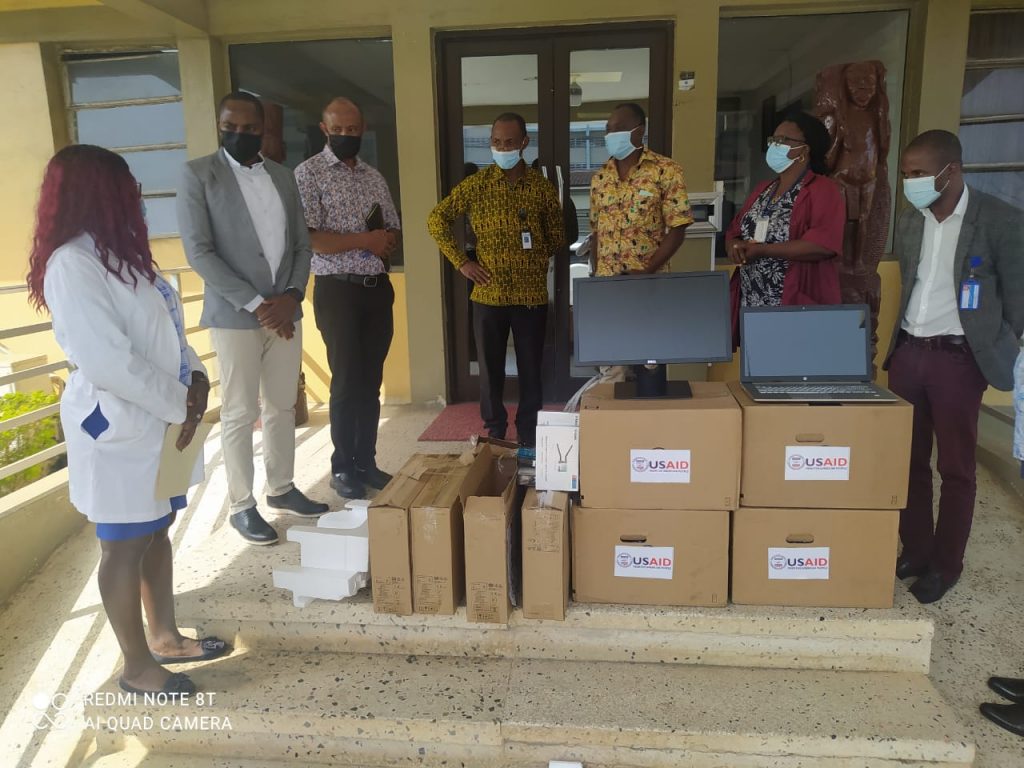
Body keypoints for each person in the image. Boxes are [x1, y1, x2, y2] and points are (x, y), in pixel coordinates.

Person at [27, 145, 229, 696]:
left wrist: (196, 378)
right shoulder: (73, 264)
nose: (137, 197)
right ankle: (137, 667)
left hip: (163, 418)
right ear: (98, 193)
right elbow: (108, 361)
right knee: (123, 544)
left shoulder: (123, 256)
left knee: (156, 527)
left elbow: (167, 332)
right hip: (117, 425)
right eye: (127, 187)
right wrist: (180, 405)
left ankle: (165, 637)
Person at [178, 91, 328, 546]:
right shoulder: (198, 174)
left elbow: (301, 245)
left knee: (281, 405)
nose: (239, 134)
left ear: (264, 130)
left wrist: (292, 295)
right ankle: (242, 505)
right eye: (230, 127)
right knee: (240, 412)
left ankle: (281, 487)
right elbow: (199, 252)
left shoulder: (282, 176)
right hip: (235, 315)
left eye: (249, 128)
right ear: (219, 125)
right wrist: (258, 304)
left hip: (285, 310)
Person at [883, 129, 1024, 604]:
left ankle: (946, 565)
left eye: (919, 173)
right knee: (908, 461)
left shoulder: (1000, 220)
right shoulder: (911, 221)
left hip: (959, 359)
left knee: (957, 468)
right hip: (908, 353)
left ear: (952, 170)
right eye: (906, 173)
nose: (911, 182)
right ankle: (916, 550)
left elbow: (1018, 303)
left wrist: (983, 347)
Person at [428, 113, 564, 447]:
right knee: (490, 370)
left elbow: (557, 236)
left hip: (531, 296)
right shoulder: (476, 185)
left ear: (524, 143)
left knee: (531, 368)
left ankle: (528, 431)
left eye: (509, 143)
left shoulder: (541, 189)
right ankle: (495, 430)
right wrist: (462, 262)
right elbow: (436, 219)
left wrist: (531, 258)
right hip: (488, 296)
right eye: (496, 142)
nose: (502, 149)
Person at [294, 98, 401, 499]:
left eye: (352, 130)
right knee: (346, 381)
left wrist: (387, 240)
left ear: (362, 129)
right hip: (338, 289)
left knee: (371, 381)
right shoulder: (309, 173)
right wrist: (366, 241)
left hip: (377, 289)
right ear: (324, 129)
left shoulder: (373, 177)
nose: (345, 136)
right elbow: (312, 238)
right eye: (337, 130)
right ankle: (342, 467)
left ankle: (366, 462)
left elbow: (392, 227)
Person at [725, 112, 844, 344]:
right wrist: (734, 247)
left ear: (804, 150)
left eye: (782, 140)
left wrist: (763, 251)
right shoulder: (763, 189)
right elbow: (735, 231)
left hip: (795, 301)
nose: (774, 146)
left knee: (793, 361)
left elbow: (823, 245)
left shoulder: (823, 189)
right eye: (773, 140)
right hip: (754, 300)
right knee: (757, 364)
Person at [588, 102, 693, 276]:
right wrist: (594, 273)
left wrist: (647, 272)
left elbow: (678, 227)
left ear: (639, 131)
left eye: (619, 128)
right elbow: (596, 232)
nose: (611, 134)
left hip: (649, 281)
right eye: (608, 129)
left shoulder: (665, 170)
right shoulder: (600, 178)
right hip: (607, 282)